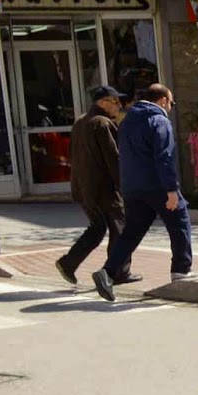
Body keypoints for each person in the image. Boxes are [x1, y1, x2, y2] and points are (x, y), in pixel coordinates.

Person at [91, 84, 198, 301]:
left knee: (132, 231)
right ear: (163, 101)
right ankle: (181, 270)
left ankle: (108, 271)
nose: (170, 108)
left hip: (132, 187)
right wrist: (171, 189)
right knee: (180, 221)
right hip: (156, 184)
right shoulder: (159, 121)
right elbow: (164, 157)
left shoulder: (127, 121)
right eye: (171, 103)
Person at [57, 86, 139, 287]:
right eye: (115, 102)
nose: (118, 106)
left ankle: (68, 263)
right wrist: (125, 186)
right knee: (121, 228)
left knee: (97, 228)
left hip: (84, 189)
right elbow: (114, 159)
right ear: (102, 102)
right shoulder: (102, 123)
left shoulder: (80, 122)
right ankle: (118, 271)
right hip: (104, 190)